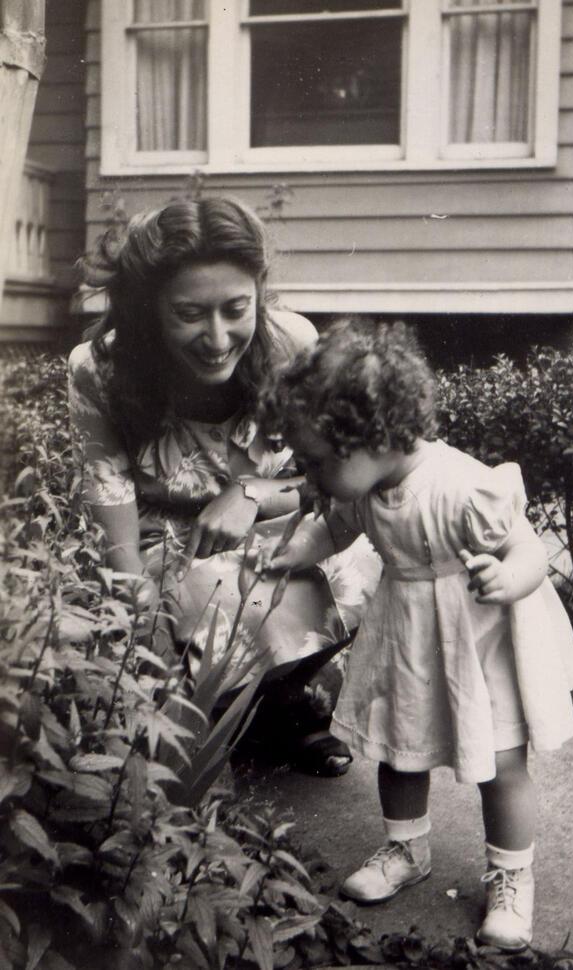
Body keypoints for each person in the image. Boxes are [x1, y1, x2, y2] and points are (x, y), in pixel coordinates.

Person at [255, 318, 573, 953]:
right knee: (398, 746)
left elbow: (531, 552)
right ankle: (406, 847)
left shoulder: (462, 486)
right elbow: (336, 529)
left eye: (318, 461)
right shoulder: (364, 485)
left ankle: (512, 877)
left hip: (482, 641)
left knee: (502, 761)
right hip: (407, 634)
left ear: (371, 437)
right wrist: (297, 551)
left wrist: (508, 576)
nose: (309, 475)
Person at [67, 197, 380, 777]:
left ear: (259, 293)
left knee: (373, 555)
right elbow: (112, 503)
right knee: (213, 597)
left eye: (236, 309)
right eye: (189, 313)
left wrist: (254, 491)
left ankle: (281, 706)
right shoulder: (99, 369)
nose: (217, 337)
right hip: (170, 547)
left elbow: (338, 478)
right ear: (147, 309)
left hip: (277, 522)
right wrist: (138, 621)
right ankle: (215, 719)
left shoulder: (291, 344)